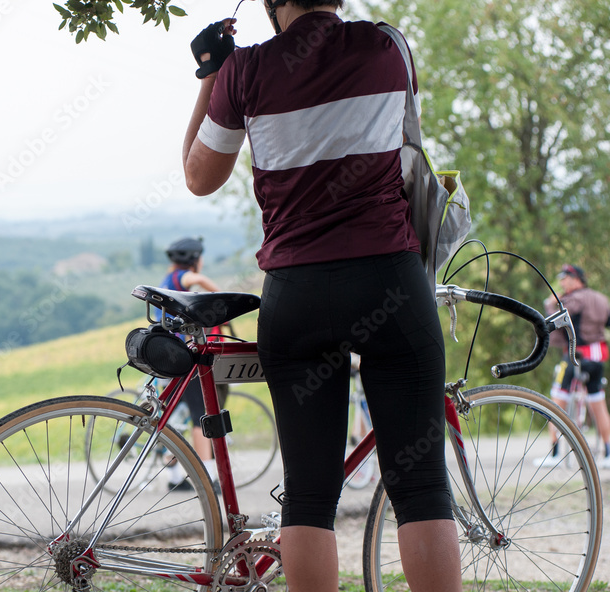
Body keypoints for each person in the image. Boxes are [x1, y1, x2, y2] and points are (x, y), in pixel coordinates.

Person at [180, 3, 461, 592]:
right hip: (388, 281)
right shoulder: (386, 48)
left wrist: (212, 74)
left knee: (308, 495)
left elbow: (199, 177)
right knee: (421, 488)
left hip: (296, 292)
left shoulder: (244, 70)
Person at [155, 237, 222, 491]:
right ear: (194, 259)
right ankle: (207, 477)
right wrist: (219, 296)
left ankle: (174, 478)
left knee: (172, 416)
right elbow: (199, 280)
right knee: (200, 414)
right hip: (183, 356)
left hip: (166, 356)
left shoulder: (167, 278)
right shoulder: (181, 277)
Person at [540, 264, 610, 468]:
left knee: (556, 399)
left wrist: (550, 304)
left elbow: (556, 321)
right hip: (597, 358)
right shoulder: (601, 299)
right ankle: (608, 453)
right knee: (598, 404)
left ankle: (554, 454)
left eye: (565, 278)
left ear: (576, 279)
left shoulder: (573, 299)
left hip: (574, 357)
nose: (562, 283)